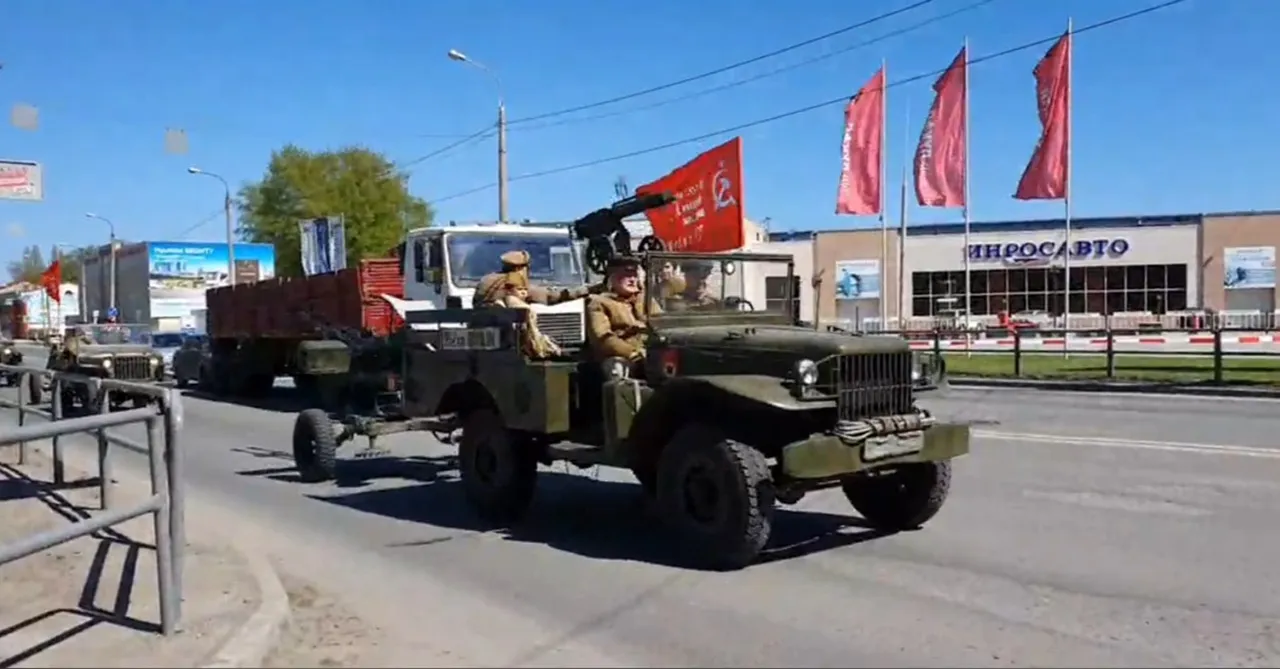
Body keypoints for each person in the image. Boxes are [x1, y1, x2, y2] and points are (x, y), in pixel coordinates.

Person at [585, 255, 660, 365]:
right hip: (621, 356)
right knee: (617, 367)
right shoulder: (598, 302)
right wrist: (632, 353)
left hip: (651, 353)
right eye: (626, 275)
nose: (632, 279)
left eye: (634, 275)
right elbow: (602, 338)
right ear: (612, 278)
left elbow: (662, 324)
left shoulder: (645, 299)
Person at [473, 250, 594, 308]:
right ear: (522, 267)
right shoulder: (516, 282)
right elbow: (551, 297)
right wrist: (587, 290)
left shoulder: (485, 280)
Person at [498, 272, 562, 359]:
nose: (524, 293)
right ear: (509, 291)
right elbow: (531, 331)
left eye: (525, 289)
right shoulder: (517, 305)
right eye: (519, 289)